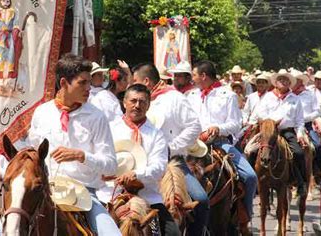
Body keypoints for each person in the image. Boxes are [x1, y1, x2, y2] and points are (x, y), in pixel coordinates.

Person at [27, 54, 120, 235]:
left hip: (85, 195)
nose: (89, 88)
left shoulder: (97, 116)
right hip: (46, 192)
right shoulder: (41, 113)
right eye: (82, 83)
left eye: (89, 82)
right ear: (63, 83)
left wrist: (82, 156)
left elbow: (111, 166)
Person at [131, 63, 208, 236]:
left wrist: (171, 148)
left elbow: (194, 126)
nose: (132, 85)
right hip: (141, 162)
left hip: (172, 161)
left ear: (146, 81)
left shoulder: (174, 98)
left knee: (201, 200)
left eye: (135, 80)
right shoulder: (138, 101)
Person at [98, 84, 180, 236]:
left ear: (148, 105)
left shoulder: (157, 134)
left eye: (142, 102)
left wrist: (137, 174)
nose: (137, 106)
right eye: (133, 101)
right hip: (110, 195)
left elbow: (159, 167)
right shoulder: (109, 128)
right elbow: (100, 157)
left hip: (147, 196)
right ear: (124, 102)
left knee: (173, 233)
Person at [192, 61, 257, 224]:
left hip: (219, 143)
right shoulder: (191, 96)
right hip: (193, 144)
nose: (192, 79)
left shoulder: (227, 95)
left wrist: (218, 128)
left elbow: (235, 123)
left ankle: (244, 216)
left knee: (250, 176)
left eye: (194, 75)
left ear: (203, 76)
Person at [253, 69, 308, 196]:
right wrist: (270, 122)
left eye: (286, 80)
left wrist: (300, 134)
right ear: (276, 82)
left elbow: (300, 120)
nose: (283, 82)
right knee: (250, 150)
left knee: (298, 153)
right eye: (281, 80)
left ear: (290, 83)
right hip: (268, 131)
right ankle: (252, 180)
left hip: (287, 131)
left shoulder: (295, 99)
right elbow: (260, 113)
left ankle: (301, 182)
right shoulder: (268, 97)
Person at [290, 69, 321, 183]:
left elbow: (318, 111)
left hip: (307, 125)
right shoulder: (288, 95)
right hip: (290, 126)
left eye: (295, 80)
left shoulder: (309, 94)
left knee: (317, 145)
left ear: (300, 82)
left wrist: (305, 118)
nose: (292, 83)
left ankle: (318, 171)